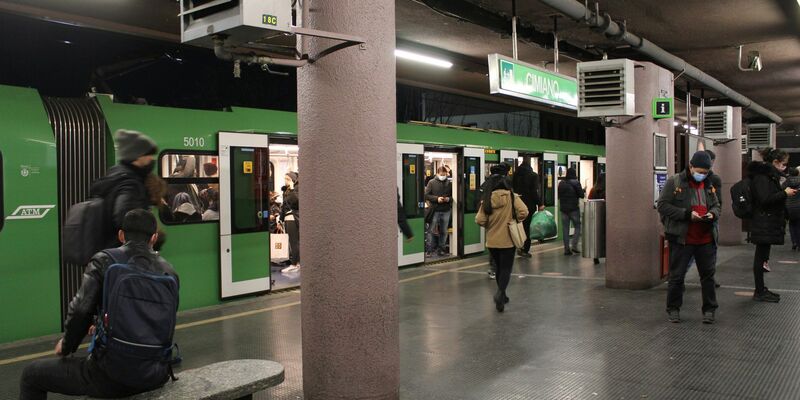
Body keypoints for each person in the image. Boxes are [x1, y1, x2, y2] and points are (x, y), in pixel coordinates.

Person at [19, 210, 179, 399]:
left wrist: (67, 345)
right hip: (156, 374)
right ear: (153, 238)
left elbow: (80, 309)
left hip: (110, 375)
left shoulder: (104, 260)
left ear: (121, 235)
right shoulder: (169, 272)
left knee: (30, 375)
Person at [657, 151, 720, 324]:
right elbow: (662, 205)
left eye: (705, 172)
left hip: (706, 239)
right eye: (699, 171)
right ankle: (673, 309)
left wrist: (712, 214)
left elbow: (716, 205)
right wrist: (686, 215)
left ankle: (709, 310)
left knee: (708, 277)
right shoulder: (675, 181)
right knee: (677, 276)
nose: (702, 175)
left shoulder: (709, 184)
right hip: (682, 239)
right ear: (691, 166)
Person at [89, 129, 158, 249]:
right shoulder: (130, 183)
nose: (151, 159)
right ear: (137, 156)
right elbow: (127, 220)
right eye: (148, 155)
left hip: (111, 250)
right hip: (126, 252)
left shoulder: (116, 174)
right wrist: (148, 237)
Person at [476, 171, 529, 312]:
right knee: (506, 268)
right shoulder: (512, 197)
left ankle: (503, 295)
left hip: (492, 241)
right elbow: (524, 211)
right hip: (508, 240)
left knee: (498, 267)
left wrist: (490, 225)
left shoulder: (487, 199)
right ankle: (500, 293)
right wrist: (515, 219)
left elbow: (480, 220)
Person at [749, 148, 797, 302]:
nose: (784, 167)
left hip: (766, 221)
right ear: (775, 162)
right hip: (764, 222)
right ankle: (759, 290)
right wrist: (785, 193)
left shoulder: (768, 176)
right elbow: (765, 199)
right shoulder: (763, 177)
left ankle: (761, 289)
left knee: (762, 257)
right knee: (760, 258)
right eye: (783, 164)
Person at [482, 163, 511, 279]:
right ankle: (500, 269)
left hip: (491, 219)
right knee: (504, 246)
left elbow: (480, 216)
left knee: (493, 245)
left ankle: (493, 268)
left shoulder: (486, 183)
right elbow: (522, 211)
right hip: (505, 219)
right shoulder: (505, 184)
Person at [513, 158, 545, 258]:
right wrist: (540, 204)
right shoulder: (533, 176)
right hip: (529, 206)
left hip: (516, 205)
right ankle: (524, 249)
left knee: (517, 226)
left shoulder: (515, 175)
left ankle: (517, 246)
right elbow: (534, 192)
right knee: (527, 228)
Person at [425, 166, 453, 257]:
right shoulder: (431, 182)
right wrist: (437, 199)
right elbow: (426, 195)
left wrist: (448, 199)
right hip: (435, 210)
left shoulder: (450, 183)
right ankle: (429, 250)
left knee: (444, 231)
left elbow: (454, 195)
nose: (443, 176)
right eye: (441, 174)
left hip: (446, 210)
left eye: (444, 175)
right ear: (437, 174)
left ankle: (441, 250)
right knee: (431, 230)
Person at [558, 167, 585, 255]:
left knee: (565, 229)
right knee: (577, 226)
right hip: (573, 209)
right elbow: (581, 195)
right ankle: (574, 246)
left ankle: (566, 249)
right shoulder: (576, 183)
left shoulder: (561, 183)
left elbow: (558, 195)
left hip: (563, 209)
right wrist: (583, 190)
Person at [281, 172, 300, 273]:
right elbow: (284, 206)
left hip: (293, 217)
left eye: (287, 179)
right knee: (292, 242)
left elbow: (297, 202)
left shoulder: (296, 189)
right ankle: (297, 263)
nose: (285, 181)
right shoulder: (286, 190)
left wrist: (292, 188)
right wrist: (281, 218)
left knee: (294, 242)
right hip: (288, 217)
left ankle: (295, 264)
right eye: (285, 179)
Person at [783, 167, 800, 250]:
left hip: (789, 207)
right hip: (799, 206)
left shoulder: (786, 182)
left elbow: (782, 193)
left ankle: (794, 242)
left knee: (792, 224)